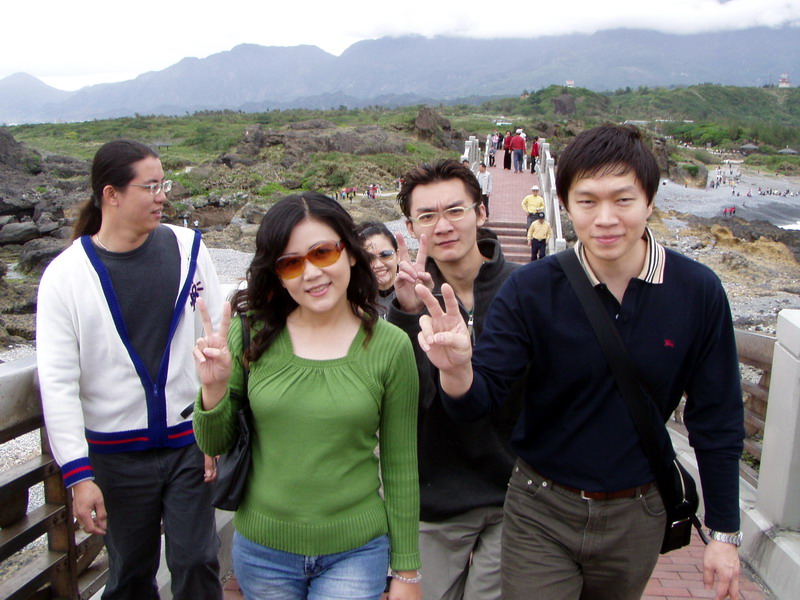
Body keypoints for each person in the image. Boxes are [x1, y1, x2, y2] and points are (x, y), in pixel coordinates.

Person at [414, 124, 745, 600]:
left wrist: (724, 534)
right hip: (541, 507)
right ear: (565, 204)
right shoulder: (530, 290)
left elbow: (717, 419)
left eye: (623, 200)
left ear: (649, 201)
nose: (605, 219)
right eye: (587, 201)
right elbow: (479, 402)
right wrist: (457, 370)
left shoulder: (697, 291)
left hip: (638, 512)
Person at [192, 192, 422, 600]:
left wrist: (406, 572)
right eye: (291, 263)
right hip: (263, 551)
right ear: (278, 274)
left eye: (322, 252)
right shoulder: (252, 332)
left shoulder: (391, 346)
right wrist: (213, 389)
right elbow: (215, 444)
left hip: (355, 550)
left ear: (350, 253)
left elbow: (401, 464)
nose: (311, 273)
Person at [36, 139, 224, 600]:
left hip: (189, 442)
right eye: (151, 186)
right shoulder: (66, 276)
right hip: (115, 455)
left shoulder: (189, 249)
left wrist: (215, 428)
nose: (163, 196)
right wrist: (78, 475)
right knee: (130, 575)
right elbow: (57, 382)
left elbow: (220, 338)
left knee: (197, 560)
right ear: (111, 194)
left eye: (164, 184)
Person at [388, 159, 522, 600]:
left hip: (517, 497)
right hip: (435, 499)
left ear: (481, 212)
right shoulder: (408, 300)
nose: (443, 226)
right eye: (427, 216)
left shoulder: (525, 290)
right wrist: (407, 314)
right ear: (411, 228)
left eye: (455, 210)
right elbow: (406, 398)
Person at [357, 220, 400, 315]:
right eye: (369, 258)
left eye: (385, 255)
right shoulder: (355, 301)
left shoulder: (416, 292)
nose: (378, 265)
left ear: (398, 255)